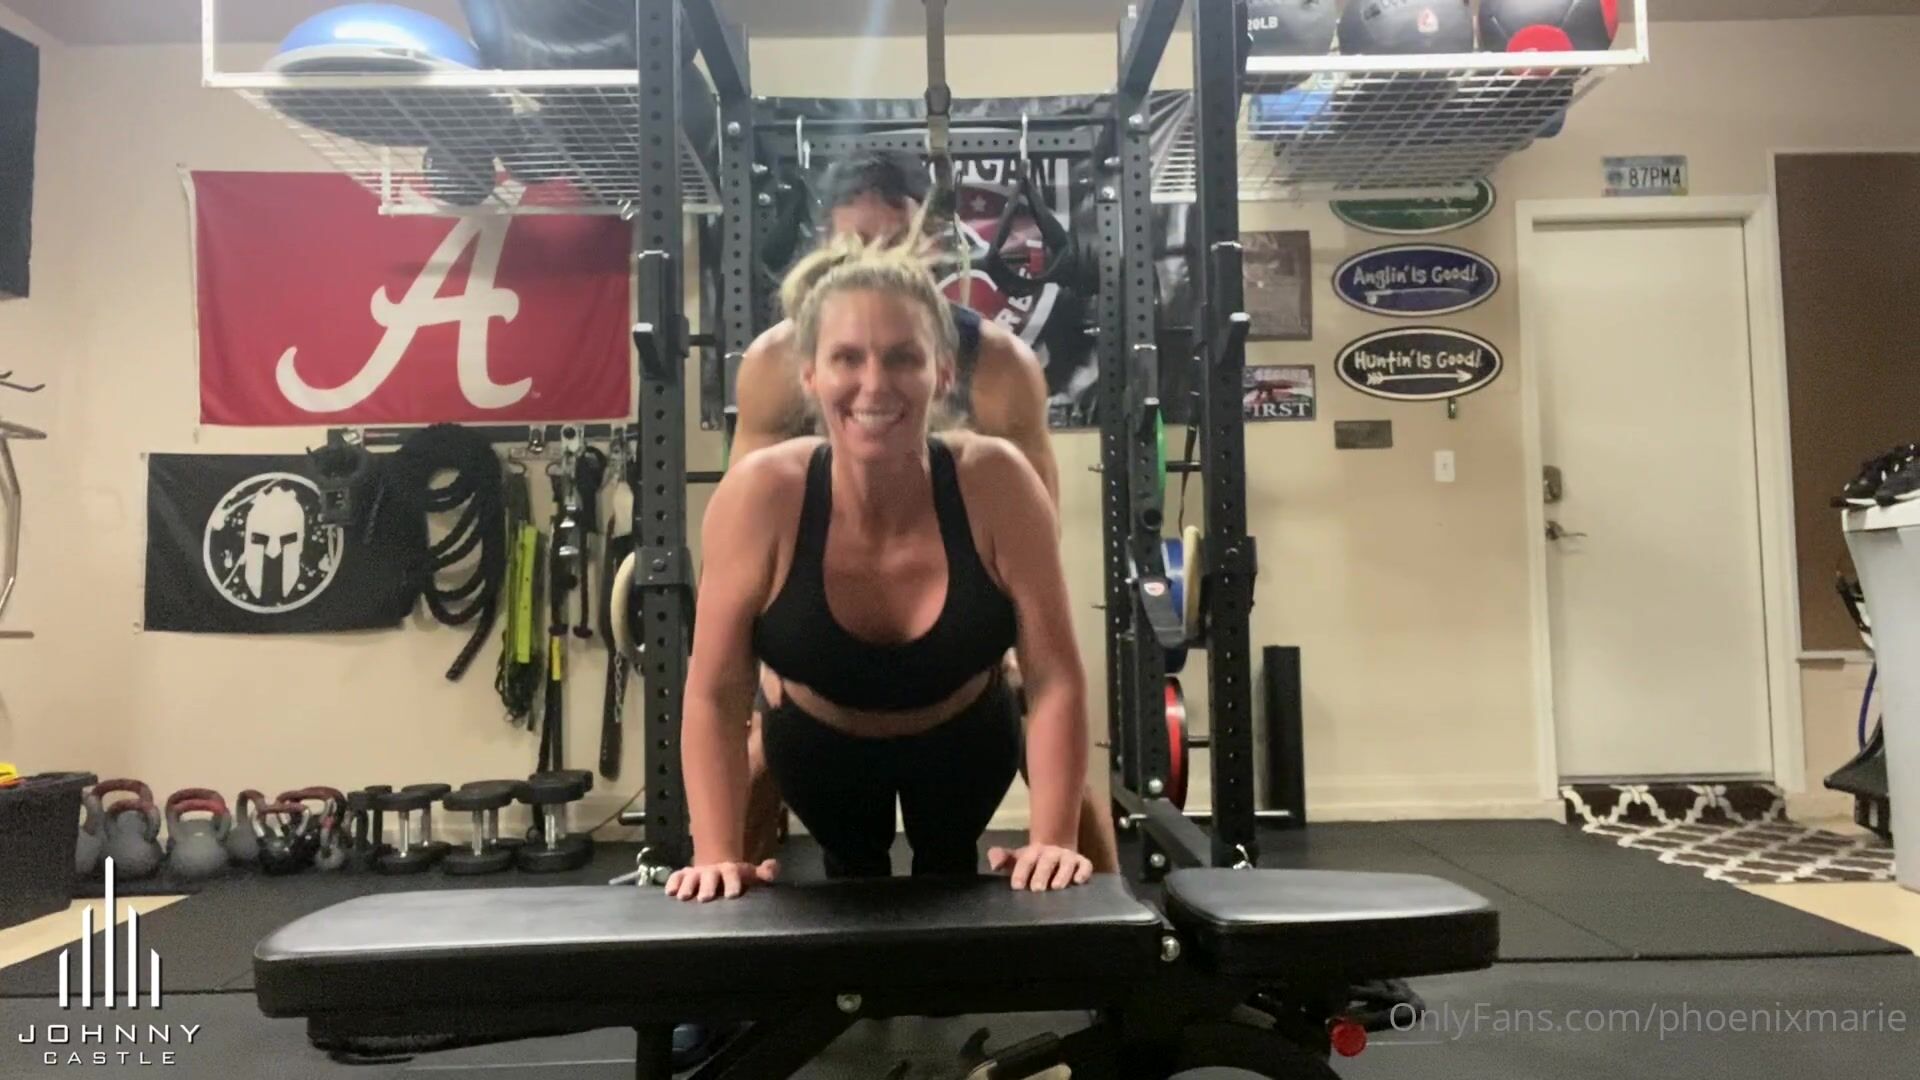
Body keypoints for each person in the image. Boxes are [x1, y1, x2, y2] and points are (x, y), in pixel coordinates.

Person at [726, 149, 1122, 876]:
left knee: (1068, 786)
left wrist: (1006, 642)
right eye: (854, 243)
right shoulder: (775, 363)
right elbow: (737, 531)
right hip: (817, 611)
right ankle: (729, 919)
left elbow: (1037, 523)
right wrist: (768, 659)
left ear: (930, 243)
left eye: (891, 241)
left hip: (958, 616)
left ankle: (1105, 923)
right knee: (752, 764)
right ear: (826, 241)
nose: (873, 260)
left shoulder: (998, 364)